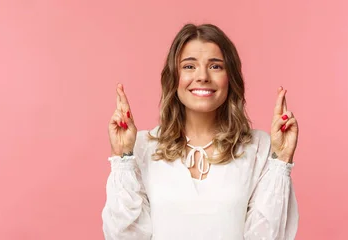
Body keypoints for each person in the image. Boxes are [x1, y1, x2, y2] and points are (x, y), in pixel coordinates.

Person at [102, 23, 299, 240]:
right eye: (189, 66)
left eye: (215, 66)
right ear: (174, 77)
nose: (202, 76)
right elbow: (125, 236)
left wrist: (281, 159)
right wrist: (123, 156)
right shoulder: (141, 147)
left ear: (230, 77)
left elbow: (267, 236)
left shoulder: (259, 147)